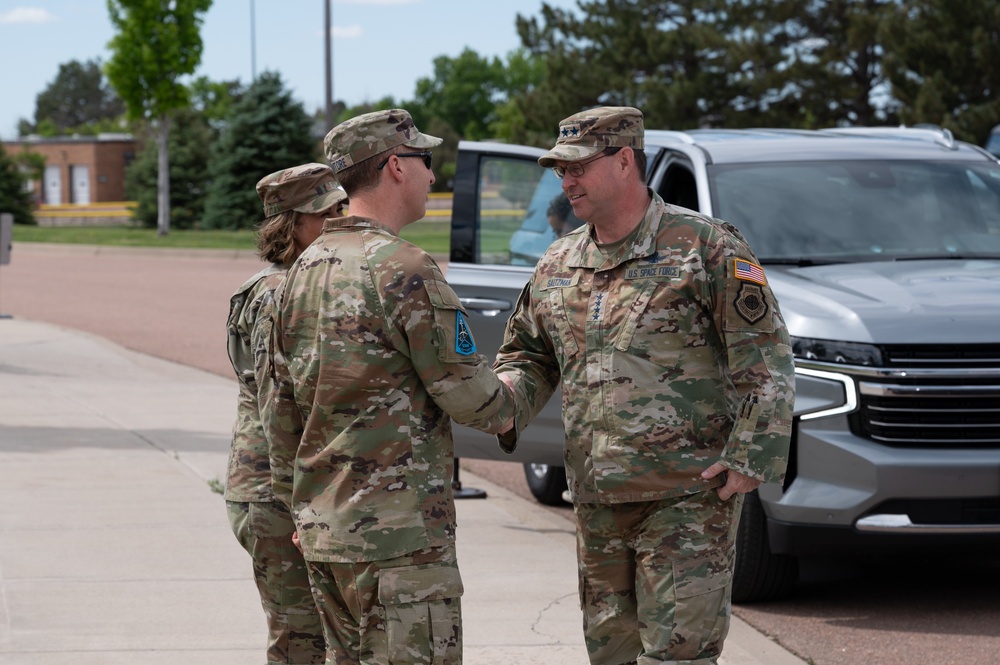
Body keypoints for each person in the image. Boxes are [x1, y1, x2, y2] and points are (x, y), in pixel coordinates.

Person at [493, 106, 795, 665]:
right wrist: (504, 402)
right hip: (596, 498)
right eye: (560, 170)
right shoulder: (558, 262)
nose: (567, 182)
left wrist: (750, 457)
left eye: (578, 166)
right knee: (610, 656)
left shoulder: (705, 248)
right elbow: (529, 355)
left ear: (625, 160)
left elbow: (766, 361)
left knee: (678, 656)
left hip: (686, 496)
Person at [264, 109, 515, 665]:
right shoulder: (403, 268)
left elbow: (278, 410)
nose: (433, 177)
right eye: (426, 163)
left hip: (327, 539)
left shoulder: (300, 272)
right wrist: (522, 386)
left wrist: (299, 510)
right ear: (396, 167)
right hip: (400, 546)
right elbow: (474, 398)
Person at [224, 162, 347, 665]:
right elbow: (281, 405)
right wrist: (299, 504)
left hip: (282, 489)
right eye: (323, 213)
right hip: (274, 494)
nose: (337, 221)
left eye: (341, 208)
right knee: (300, 642)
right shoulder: (278, 293)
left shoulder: (297, 281)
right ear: (288, 224)